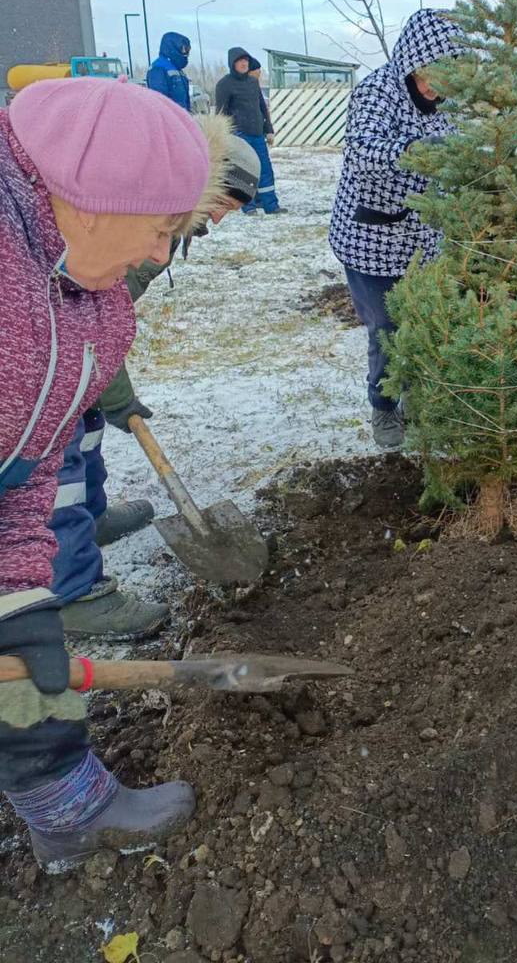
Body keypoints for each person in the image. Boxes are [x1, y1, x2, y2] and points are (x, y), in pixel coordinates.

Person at [0, 73, 218, 871]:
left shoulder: (89, 298)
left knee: (26, 642)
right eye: (160, 229)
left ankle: (66, 806)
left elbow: (27, 463)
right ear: (95, 200)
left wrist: (18, 597)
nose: (161, 254)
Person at [49, 128, 261, 642]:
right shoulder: (131, 216)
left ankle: (92, 518)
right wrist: (119, 393)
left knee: (89, 426)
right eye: (221, 202)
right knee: (59, 464)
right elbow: (86, 319)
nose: (219, 217)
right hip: (44, 346)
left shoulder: (164, 219)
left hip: (71, 341)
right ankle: (70, 592)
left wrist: (105, 392)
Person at [328, 8, 464, 448]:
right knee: (386, 327)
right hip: (373, 236)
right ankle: (384, 408)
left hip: (425, 237)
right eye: (428, 77)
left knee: (426, 319)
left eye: (444, 78)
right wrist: (416, 149)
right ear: (410, 63)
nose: (434, 88)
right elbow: (363, 153)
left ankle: (420, 398)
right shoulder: (377, 92)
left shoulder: (448, 102)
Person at [215, 48, 281, 213]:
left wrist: (269, 129)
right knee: (242, 172)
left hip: (257, 134)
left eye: (246, 60)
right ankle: (248, 206)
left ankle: (271, 205)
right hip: (239, 135)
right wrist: (222, 136)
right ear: (233, 64)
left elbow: (261, 107)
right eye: (240, 61)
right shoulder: (224, 84)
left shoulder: (253, 82)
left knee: (265, 170)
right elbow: (221, 113)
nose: (244, 63)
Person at [146, 32, 192, 112]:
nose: (186, 54)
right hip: (169, 120)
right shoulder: (158, 69)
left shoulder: (179, 71)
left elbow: (185, 101)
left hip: (181, 118)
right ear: (173, 47)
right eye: (183, 49)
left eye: (187, 50)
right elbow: (159, 101)